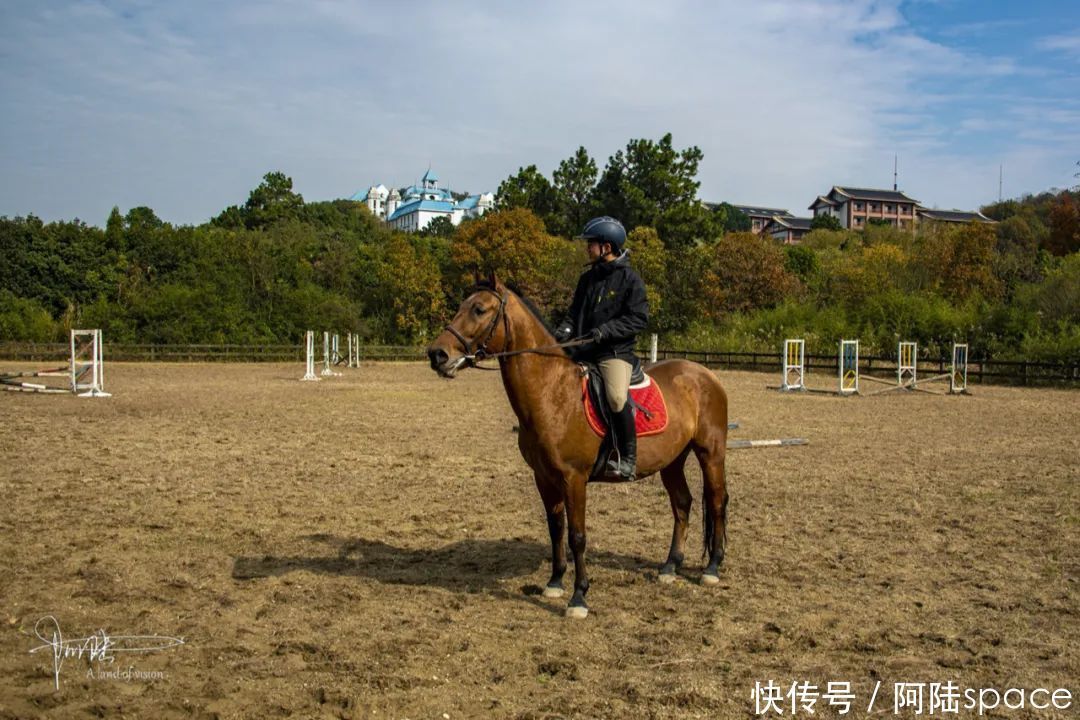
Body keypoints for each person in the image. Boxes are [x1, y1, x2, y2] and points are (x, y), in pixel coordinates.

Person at [554, 216, 649, 479]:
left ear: (606, 247)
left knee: (617, 397)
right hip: (583, 350)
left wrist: (605, 331)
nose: (587, 248)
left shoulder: (630, 279)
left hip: (614, 353)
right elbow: (573, 314)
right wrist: (563, 331)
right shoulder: (587, 279)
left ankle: (628, 457)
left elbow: (638, 318)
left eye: (591, 244)